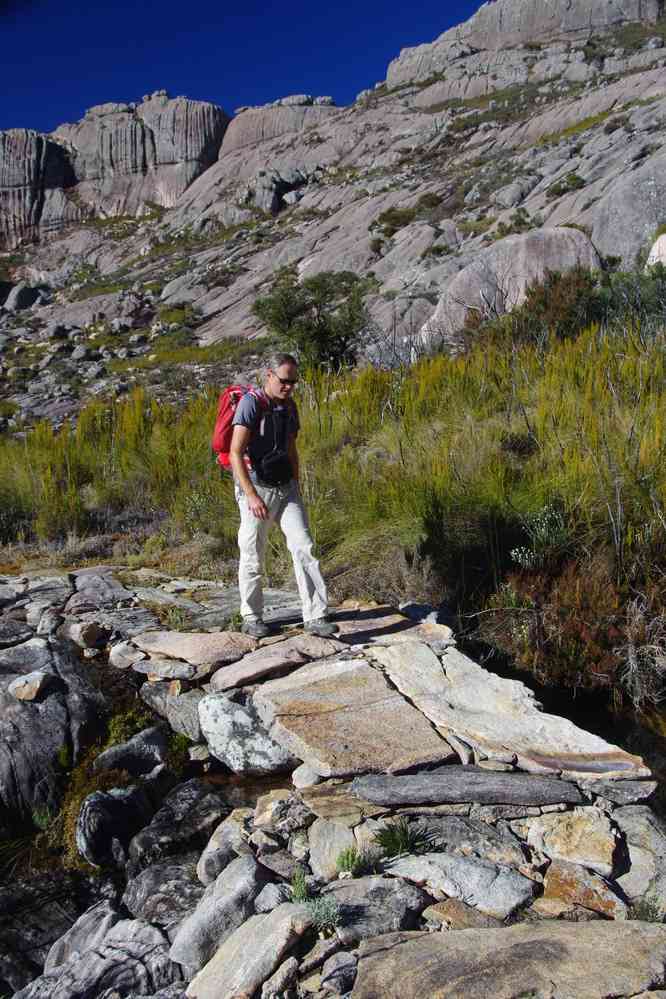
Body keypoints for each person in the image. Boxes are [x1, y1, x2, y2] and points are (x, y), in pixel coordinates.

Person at [229, 352, 338, 639]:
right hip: (257, 487)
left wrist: (297, 485)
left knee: (304, 546)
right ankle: (251, 617)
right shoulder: (251, 404)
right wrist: (251, 496)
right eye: (284, 380)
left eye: (293, 382)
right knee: (253, 552)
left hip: (286, 486)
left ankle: (315, 616)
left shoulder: (290, 407)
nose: (289, 387)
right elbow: (235, 452)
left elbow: (291, 447)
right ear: (269, 375)